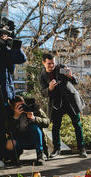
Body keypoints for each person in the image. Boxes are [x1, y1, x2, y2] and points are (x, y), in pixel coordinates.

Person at [40, 53, 87, 158]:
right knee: (55, 127)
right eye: (49, 64)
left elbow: (75, 81)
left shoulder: (61, 68)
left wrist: (71, 76)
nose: (52, 65)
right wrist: (50, 88)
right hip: (56, 104)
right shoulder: (42, 75)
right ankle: (57, 150)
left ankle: (82, 149)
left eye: (53, 63)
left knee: (77, 125)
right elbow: (43, 92)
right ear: (44, 63)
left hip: (70, 101)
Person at [0, 30, 26, 166]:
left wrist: (12, 44)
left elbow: (21, 59)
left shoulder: (6, 50)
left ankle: (5, 156)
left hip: (5, 95)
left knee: (5, 127)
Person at [5, 96, 49, 166]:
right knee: (9, 142)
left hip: (35, 140)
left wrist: (34, 118)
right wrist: (15, 117)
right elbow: (7, 130)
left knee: (34, 127)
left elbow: (47, 122)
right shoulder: (10, 112)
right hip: (20, 140)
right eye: (18, 106)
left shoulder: (32, 107)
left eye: (22, 104)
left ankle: (40, 156)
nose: (22, 107)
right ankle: (14, 157)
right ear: (13, 107)